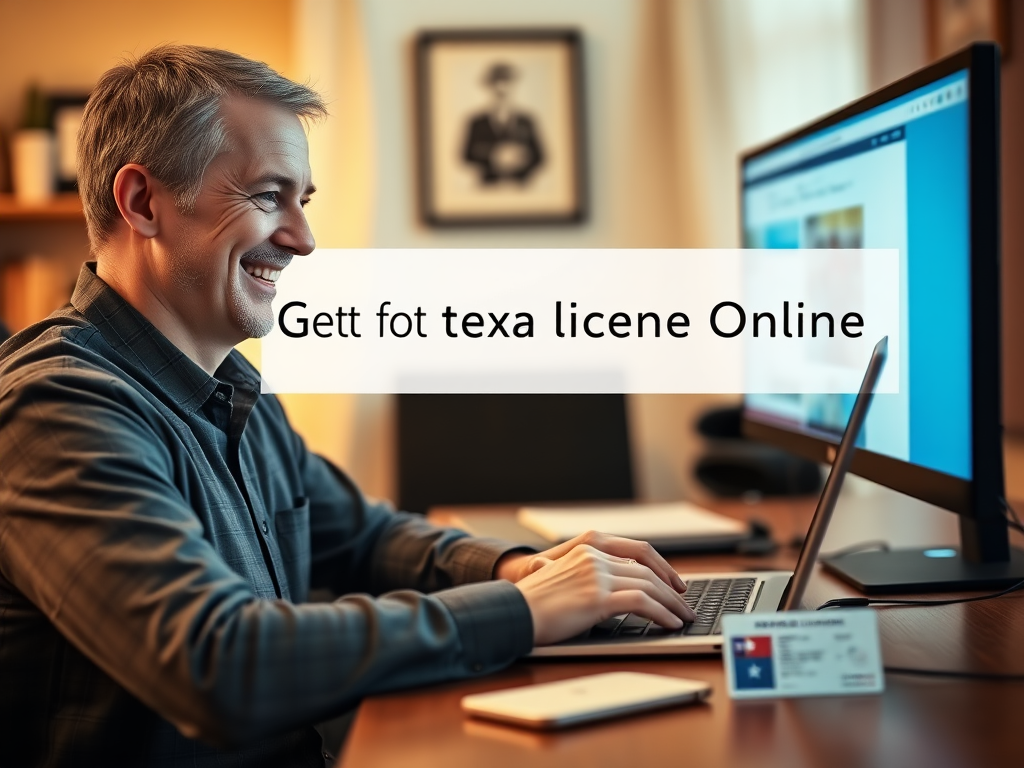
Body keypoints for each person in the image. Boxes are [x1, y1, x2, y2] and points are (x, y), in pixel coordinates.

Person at [0, 45, 694, 767]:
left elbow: (365, 539)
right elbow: (216, 662)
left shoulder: (236, 394)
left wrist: (518, 571)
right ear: (143, 203)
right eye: (268, 196)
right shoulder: (56, 407)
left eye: (303, 201)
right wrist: (525, 612)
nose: (302, 239)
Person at [462, 62, 544, 184]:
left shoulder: (526, 120)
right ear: (489, 89)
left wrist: (519, 156)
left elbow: (540, 156)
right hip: (488, 187)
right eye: (498, 92)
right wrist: (494, 154)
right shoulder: (477, 122)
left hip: (521, 187)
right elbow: (466, 155)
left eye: (507, 88)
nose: (502, 91)